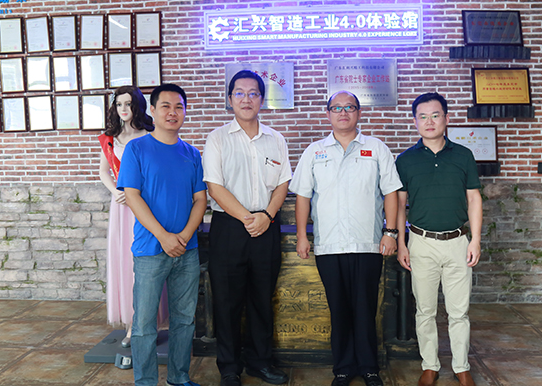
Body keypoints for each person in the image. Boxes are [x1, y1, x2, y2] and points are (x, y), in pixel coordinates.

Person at [289, 91, 402, 386]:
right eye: (336, 108)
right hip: (329, 246)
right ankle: (342, 368)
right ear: (328, 114)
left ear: (358, 113)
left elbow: (391, 192)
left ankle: (369, 367)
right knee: (338, 309)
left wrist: (390, 233)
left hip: (368, 244)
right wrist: (302, 236)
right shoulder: (314, 151)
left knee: (365, 309)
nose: (343, 112)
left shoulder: (376, 148)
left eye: (349, 107)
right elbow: (302, 196)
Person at [202, 70, 292, 386]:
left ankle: (260, 362)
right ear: (230, 99)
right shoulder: (217, 138)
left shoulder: (276, 139)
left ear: (262, 100)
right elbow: (215, 186)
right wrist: (248, 218)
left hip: (266, 226)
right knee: (227, 301)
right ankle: (229, 367)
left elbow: (283, 183)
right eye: (239, 93)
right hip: (229, 228)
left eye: (253, 93)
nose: (246, 99)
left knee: (261, 298)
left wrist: (266, 215)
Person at [117, 84, 207, 386]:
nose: (173, 112)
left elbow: (200, 199)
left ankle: (179, 377)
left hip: (187, 251)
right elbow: (132, 196)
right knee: (144, 323)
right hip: (150, 250)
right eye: (165, 106)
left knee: (184, 320)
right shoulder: (137, 149)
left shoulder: (191, 153)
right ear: (153, 111)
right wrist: (164, 236)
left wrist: (184, 235)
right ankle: (145, 382)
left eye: (179, 107)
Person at [395, 92, 482, 386]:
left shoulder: (463, 155)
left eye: (435, 115)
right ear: (415, 121)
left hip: (458, 241)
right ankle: (430, 365)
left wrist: (475, 240)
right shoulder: (405, 160)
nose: (429, 121)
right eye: (422, 116)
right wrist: (401, 243)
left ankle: (461, 366)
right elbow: (400, 204)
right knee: (425, 310)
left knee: (459, 311)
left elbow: (474, 199)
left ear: (446, 118)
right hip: (421, 242)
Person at [98, 85, 168, 348]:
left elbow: (159, 170)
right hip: (121, 207)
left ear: (138, 105)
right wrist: (116, 191)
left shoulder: (151, 135)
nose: (123, 109)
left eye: (128, 104)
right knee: (124, 262)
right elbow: (104, 171)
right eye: (119, 104)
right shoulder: (109, 139)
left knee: (147, 261)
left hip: (146, 204)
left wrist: (137, 193)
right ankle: (131, 324)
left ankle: (149, 321)